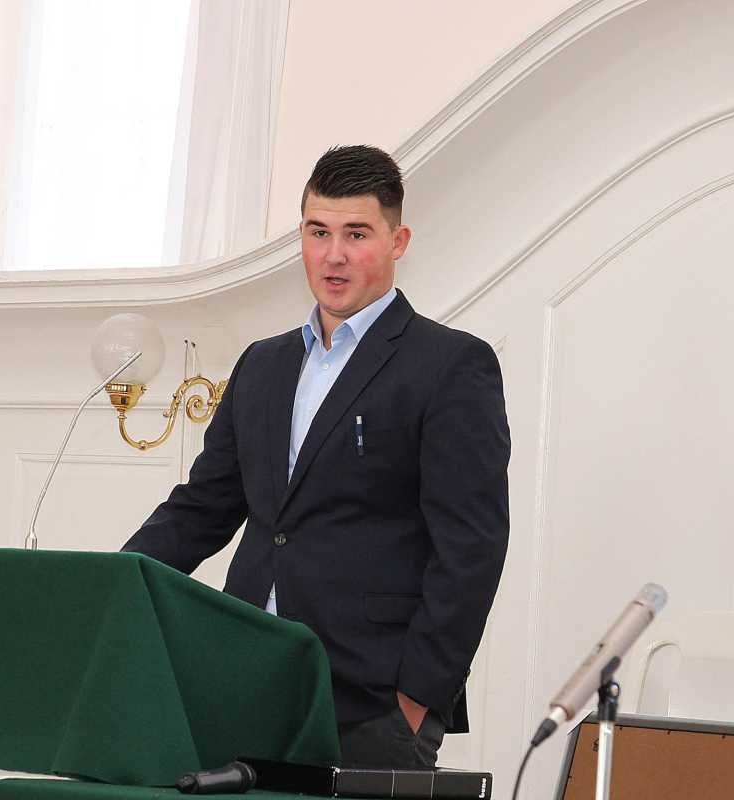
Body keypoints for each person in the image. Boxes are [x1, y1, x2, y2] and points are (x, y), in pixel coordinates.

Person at [122, 145, 509, 770]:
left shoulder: (451, 365)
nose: (333, 255)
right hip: (246, 681)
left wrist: (416, 699)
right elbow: (202, 508)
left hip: (373, 700)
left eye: (356, 234)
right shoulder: (261, 364)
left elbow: (471, 547)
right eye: (318, 232)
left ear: (398, 241)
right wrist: (113, 583)